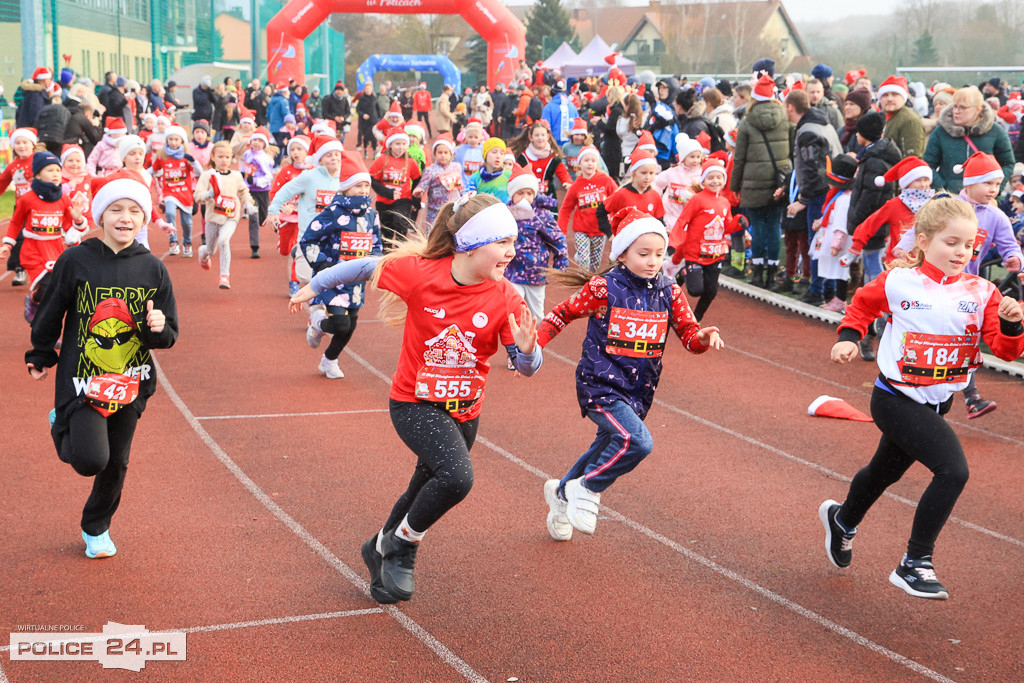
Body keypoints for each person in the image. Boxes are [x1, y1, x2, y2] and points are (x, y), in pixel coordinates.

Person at [287, 193, 542, 603]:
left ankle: (379, 548)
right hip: (414, 403)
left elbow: (527, 368)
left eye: (514, 243)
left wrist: (528, 351)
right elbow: (364, 266)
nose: (512, 253)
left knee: (424, 485)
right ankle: (404, 543)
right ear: (472, 244)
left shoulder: (507, 296)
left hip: (465, 411)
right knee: (457, 479)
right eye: (503, 243)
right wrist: (313, 287)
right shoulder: (420, 273)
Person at [821, 195, 1024, 600]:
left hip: (937, 400)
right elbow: (861, 304)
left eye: (969, 246)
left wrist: (1011, 324)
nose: (961, 252)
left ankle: (842, 520)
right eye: (951, 243)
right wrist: (848, 338)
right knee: (953, 470)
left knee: (885, 472)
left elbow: (1004, 350)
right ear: (924, 241)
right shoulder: (899, 281)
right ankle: (915, 562)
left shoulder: (982, 291)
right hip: (894, 397)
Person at [537, 208, 723, 539]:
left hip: (639, 390)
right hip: (600, 383)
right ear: (622, 253)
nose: (653, 261)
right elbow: (562, 314)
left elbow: (690, 338)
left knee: (607, 444)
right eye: (643, 253)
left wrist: (704, 338)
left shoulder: (668, 291)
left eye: (659, 253)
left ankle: (562, 493)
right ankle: (588, 488)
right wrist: (530, 346)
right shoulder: (603, 288)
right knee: (638, 442)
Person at [25, 171, 178, 559]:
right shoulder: (77, 258)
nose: (125, 217)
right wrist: (40, 353)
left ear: (144, 220)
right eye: (115, 209)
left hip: (131, 380)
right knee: (90, 460)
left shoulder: (153, 269)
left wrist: (159, 328)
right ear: (100, 216)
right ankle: (62, 422)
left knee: (117, 461)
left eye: (133, 211)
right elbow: (52, 307)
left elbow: (168, 332)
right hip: (82, 378)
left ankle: (97, 528)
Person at [889, 152, 1023, 418]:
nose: (994, 190)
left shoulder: (996, 216)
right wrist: (903, 251)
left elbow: (1010, 244)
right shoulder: (946, 205)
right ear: (970, 182)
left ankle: (969, 395)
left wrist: (1015, 259)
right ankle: (891, 339)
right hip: (928, 282)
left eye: (997, 184)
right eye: (987, 183)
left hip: (967, 290)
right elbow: (920, 228)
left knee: (963, 338)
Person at [300, 151, 381, 378]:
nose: (363, 191)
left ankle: (329, 361)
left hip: (356, 280)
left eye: (366, 186)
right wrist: (323, 264)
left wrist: (375, 264)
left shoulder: (372, 215)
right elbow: (309, 239)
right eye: (358, 186)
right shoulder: (333, 213)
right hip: (332, 278)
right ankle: (318, 324)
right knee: (341, 324)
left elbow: (377, 243)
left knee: (351, 324)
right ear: (345, 188)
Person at [0, 152, 88, 320]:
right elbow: (16, 222)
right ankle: (38, 312)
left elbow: (70, 227)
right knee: (48, 287)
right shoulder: (27, 199)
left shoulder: (63, 198)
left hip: (55, 250)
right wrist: (7, 245)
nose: (55, 174)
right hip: (33, 251)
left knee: (60, 290)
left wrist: (78, 218)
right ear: (38, 174)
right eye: (50, 170)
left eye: (57, 170)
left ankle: (36, 304)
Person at [666, 155, 748, 321]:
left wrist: (739, 223)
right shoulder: (697, 200)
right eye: (710, 177)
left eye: (719, 177)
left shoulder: (725, 202)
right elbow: (683, 221)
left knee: (711, 291)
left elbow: (727, 227)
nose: (715, 181)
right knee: (695, 290)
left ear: (723, 180)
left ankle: (696, 318)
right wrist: (675, 240)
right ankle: (683, 272)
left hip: (715, 253)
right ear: (703, 180)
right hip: (695, 254)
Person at [730, 74, 793, 289]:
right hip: (778, 183)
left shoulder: (747, 122)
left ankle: (757, 274)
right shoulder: (785, 119)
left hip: (752, 183)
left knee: (757, 228)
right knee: (774, 227)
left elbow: (739, 158)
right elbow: (791, 152)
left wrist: (735, 186)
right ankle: (772, 274)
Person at [785, 89, 843, 303]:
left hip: (820, 193)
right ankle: (827, 288)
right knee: (825, 240)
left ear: (791, 107)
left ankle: (818, 289)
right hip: (831, 189)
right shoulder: (823, 124)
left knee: (818, 241)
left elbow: (811, 167)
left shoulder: (807, 131)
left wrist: (804, 199)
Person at [503, 163, 568, 322]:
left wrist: (560, 265)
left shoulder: (542, 215)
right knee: (512, 309)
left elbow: (558, 239)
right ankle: (515, 341)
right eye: (520, 193)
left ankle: (535, 342)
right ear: (512, 195)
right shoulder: (506, 213)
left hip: (535, 275)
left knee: (536, 315)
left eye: (529, 193)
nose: (525, 197)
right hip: (511, 272)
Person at [924, 86, 1015, 194]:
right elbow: (928, 165)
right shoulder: (940, 132)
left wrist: (995, 188)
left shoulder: (995, 131)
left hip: (985, 200)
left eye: (962, 107)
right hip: (950, 200)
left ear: (977, 110)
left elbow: (1007, 163)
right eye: (955, 107)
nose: (956, 111)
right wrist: (943, 189)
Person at [194, 141, 255, 289]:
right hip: (213, 218)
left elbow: (243, 192)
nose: (224, 160)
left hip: (231, 217)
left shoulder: (236, 176)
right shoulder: (207, 175)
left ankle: (224, 275)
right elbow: (197, 195)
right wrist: (209, 194)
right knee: (211, 249)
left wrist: (248, 204)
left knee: (224, 240)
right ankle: (204, 252)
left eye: (227, 157)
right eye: (221, 156)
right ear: (213, 157)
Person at [558, 145, 617, 271]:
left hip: (599, 230)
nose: (590, 164)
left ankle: (591, 285)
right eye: (586, 160)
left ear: (597, 163)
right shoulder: (576, 185)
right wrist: (561, 231)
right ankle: (582, 287)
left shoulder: (605, 180)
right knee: (584, 262)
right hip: (581, 230)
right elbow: (566, 209)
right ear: (579, 164)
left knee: (594, 265)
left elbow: (616, 199)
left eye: (593, 160)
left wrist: (615, 220)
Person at [809, 154, 856, 311]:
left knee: (840, 270)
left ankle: (840, 299)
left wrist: (836, 244)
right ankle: (836, 298)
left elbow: (841, 225)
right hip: (831, 236)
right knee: (836, 269)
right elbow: (831, 215)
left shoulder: (844, 200)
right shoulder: (838, 196)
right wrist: (821, 222)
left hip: (838, 242)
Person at [270, 135, 312, 296]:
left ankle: (294, 282)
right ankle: (282, 243)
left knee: (297, 248)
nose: (296, 152)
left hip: (306, 217)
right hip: (287, 217)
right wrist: (282, 206)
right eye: (292, 149)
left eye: (299, 149)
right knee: (286, 250)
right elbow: (275, 192)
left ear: (307, 151)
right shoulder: (286, 171)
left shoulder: (313, 171)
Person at [151, 125, 198, 257]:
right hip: (170, 192)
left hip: (185, 193)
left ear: (182, 141)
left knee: (187, 223)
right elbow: (153, 170)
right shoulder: (163, 156)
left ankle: (187, 243)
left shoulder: (187, 157)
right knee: (170, 213)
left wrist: (194, 162)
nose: (173, 142)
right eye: (170, 139)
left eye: (176, 139)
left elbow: (199, 172)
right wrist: (140, 175)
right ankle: (173, 241)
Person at [597, 148, 666, 236]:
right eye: (643, 173)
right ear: (634, 173)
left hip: (645, 242)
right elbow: (601, 211)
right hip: (626, 241)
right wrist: (610, 233)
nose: (648, 177)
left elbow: (659, 220)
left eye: (651, 173)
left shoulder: (655, 196)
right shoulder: (621, 194)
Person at [652, 133, 704, 232]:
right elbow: (656, 183)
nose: (696, 160)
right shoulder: (673, 172)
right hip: (670, 216)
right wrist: (657, 200)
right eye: (692, 157)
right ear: (683, 157)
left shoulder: (701, 174)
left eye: (698, 157)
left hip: (692, 218)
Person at [512, 122, 571, 200]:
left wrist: (567, 182)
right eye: (537, 135)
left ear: (548, 137)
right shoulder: (523, 156)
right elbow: (516, 173)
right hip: (529, 197)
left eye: (543, 135)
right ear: (531, 138)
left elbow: (562, 172)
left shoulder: (553, 156)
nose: (540, 138)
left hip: (548, 197)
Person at [242, 127, 277, 258]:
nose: (256, 143)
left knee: (263, 218)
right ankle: (254, 246)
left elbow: (269, 176)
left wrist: (255, 180)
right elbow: (244, 169)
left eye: (259, 140)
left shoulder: (265, 158)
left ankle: (279, 227)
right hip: (250, 192)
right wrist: (244, 179)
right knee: (253, 217)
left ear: (264, 144)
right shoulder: (247, 154)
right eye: (254, 140)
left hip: (263, 190)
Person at [876, 75, 926, 159]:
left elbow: (912, 157)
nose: (889, 99)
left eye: (894, 94)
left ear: (903, 97)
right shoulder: (884, 118)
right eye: (885, 95)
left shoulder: (910, 120)